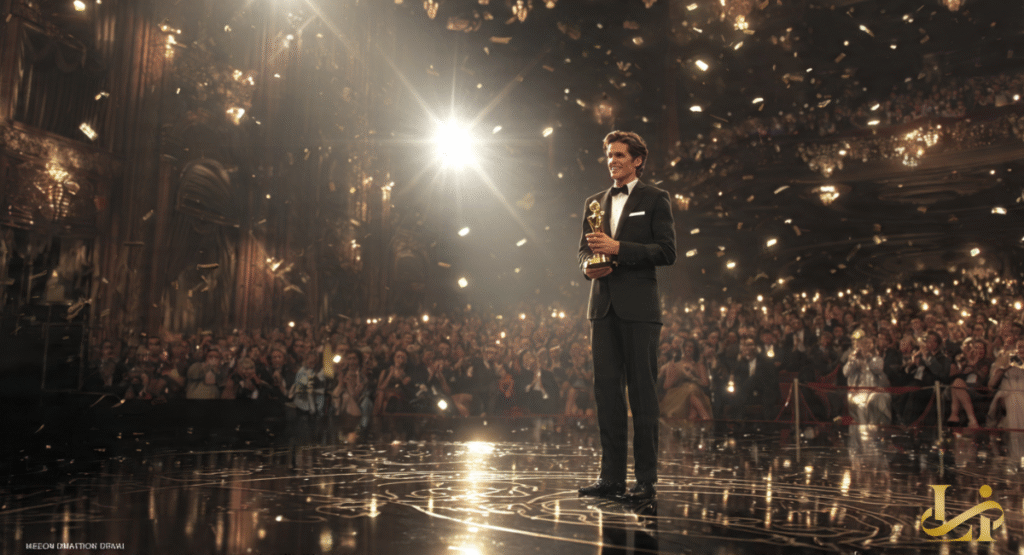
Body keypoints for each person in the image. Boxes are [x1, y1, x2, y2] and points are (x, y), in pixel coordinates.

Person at [576, 130, 677, 502]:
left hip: (639, 310)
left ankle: (646, 480)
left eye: (620, 155)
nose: (612, 161)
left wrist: (619, 249)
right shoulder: (593, 203)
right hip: (601, 308)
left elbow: (667, 252)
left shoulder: (655, 198)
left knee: (642, 395)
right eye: (608, 155)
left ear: (637, 160)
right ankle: (611, 478)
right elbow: (582, 254)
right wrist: (589, 268)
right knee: (607, 395)